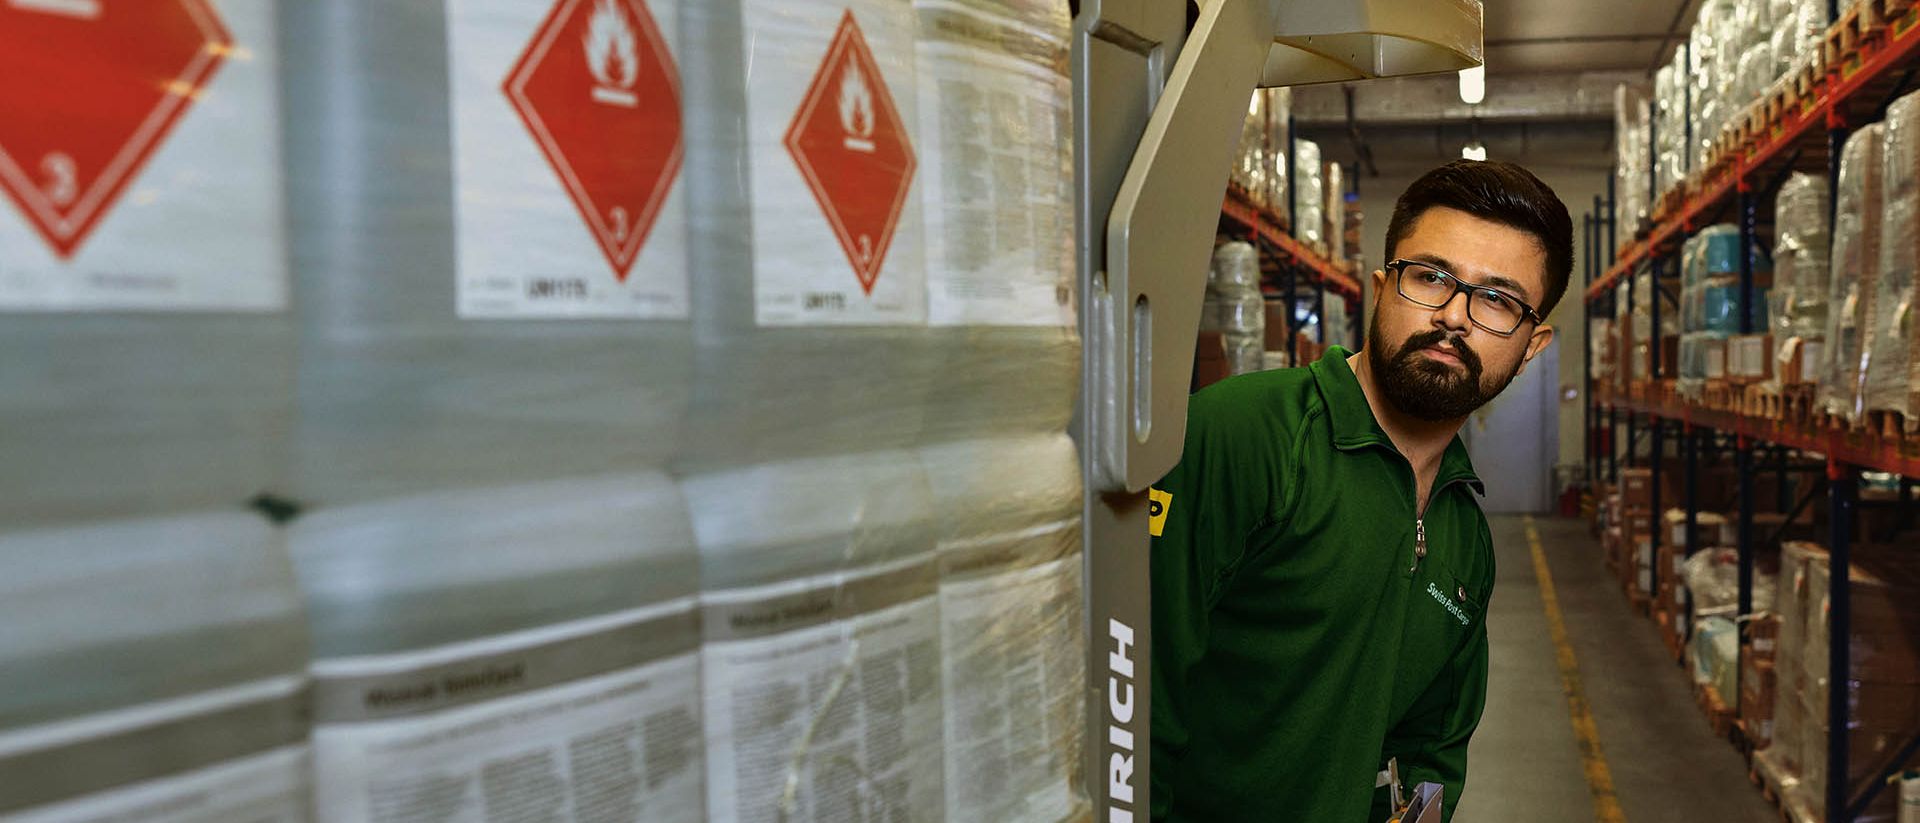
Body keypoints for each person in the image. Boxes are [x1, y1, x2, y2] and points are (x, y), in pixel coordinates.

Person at [1148, 159, 1570, 822]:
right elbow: (1134, 700)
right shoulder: (1242, 436)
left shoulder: (1465, 538)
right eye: (1430, 276)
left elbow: (1431, 752)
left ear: (1533, 343)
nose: (1455, 317)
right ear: (1382, 287)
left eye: (1497, 299)